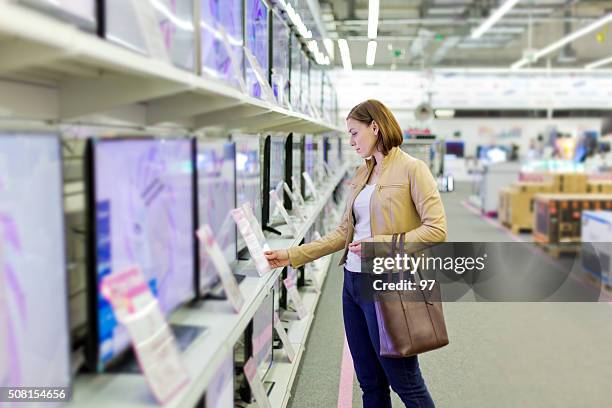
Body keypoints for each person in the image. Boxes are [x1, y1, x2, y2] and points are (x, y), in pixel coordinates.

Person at [265, 99, 447, 408]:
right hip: (352, 284)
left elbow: (436, 229)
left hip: (387, 285)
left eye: (354, 133)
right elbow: (342, 233)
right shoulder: (362, 174)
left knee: (405, 382)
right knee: (370, 382)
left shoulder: (413, 169)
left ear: (375, 127)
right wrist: (293, 255)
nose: (350, 142)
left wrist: (381, 244)